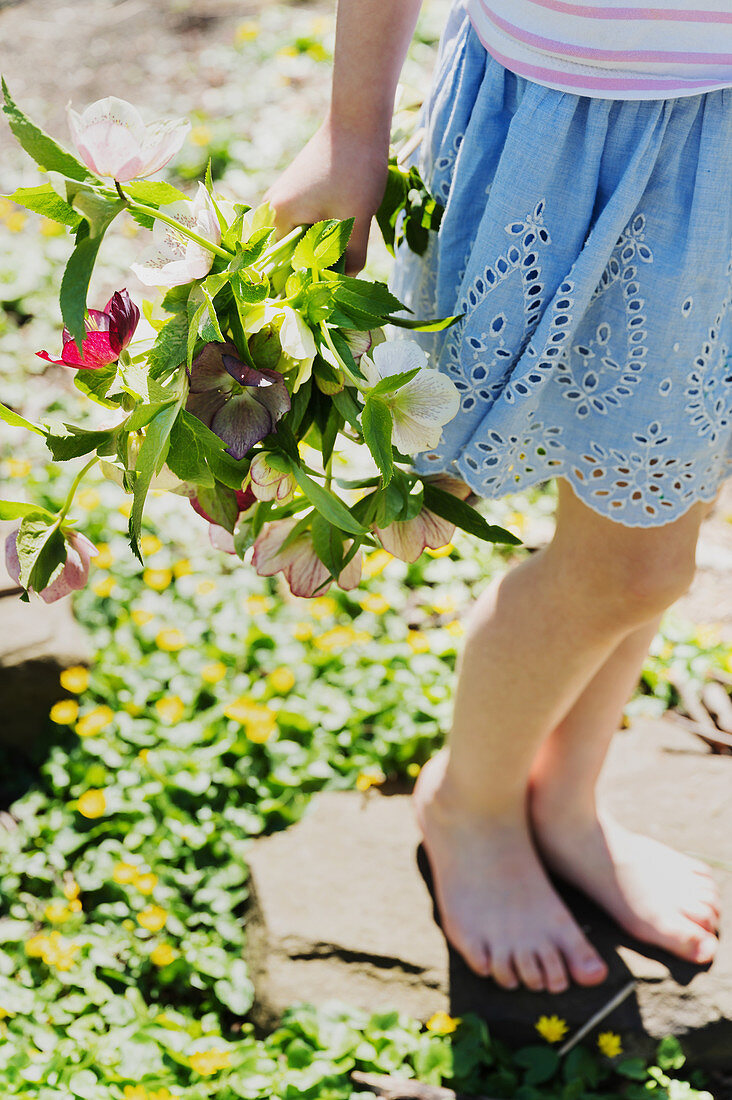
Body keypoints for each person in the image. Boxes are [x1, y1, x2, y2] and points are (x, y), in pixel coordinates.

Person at [264, 0, 731, 993]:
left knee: (652, 511)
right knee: (635, 563)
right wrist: (351, 130)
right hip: (564, 118)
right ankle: (471, 801)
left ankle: (566, 795)